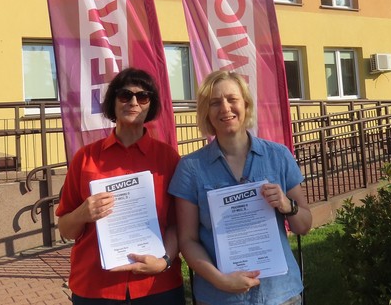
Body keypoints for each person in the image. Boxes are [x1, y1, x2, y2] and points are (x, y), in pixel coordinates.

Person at [169, 70, 312, 305]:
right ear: (206, 112)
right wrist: (220, 281)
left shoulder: (278, 156)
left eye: (232, 99)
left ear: (245, 104)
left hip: (280, 294)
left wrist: (288, 206)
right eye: (215, 103)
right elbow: (188, 240)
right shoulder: (190, 168)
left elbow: (304, 226)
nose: (225, 108)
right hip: (220, 298)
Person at [56, 68, 185, 305]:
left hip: (156, 286)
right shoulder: (85, 158)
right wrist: (82, 214)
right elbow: (66, 229)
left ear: (150, 105)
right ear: (113, 103)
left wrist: (164, 261)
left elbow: (178, 224)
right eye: (125, 95)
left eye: (143, 97)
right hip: (96, 286)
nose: (133, 102)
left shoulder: (168, 158)